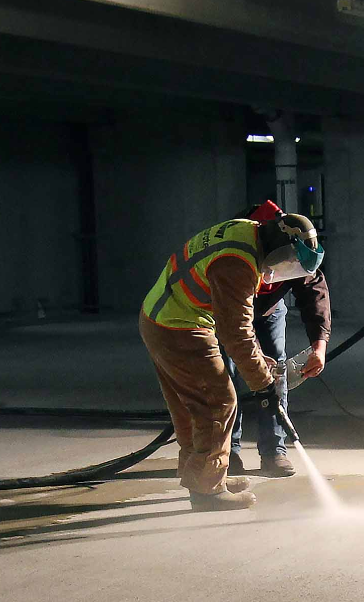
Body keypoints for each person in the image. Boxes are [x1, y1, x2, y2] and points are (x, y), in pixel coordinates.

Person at [139, 211, 324, 511]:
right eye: (290, 264)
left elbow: (235, 329)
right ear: (280, 250)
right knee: (219, 402)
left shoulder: (249, 232)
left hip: (162, 319)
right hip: (180, 326)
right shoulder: (238, 265)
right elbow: (235, 332)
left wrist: (258, 364)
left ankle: (206, 475)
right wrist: (264, 384)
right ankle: (207, 491)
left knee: (192, 405)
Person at [226, 201, 331, 477]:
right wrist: (257, 355)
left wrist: (319, 347)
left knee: (277, 373)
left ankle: (274, 450)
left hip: (269, 306)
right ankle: (227, 453)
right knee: (226, 376)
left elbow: (313, 292)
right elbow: (236, 324)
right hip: (228, 307)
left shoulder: (292, 245)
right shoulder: (239, 248)